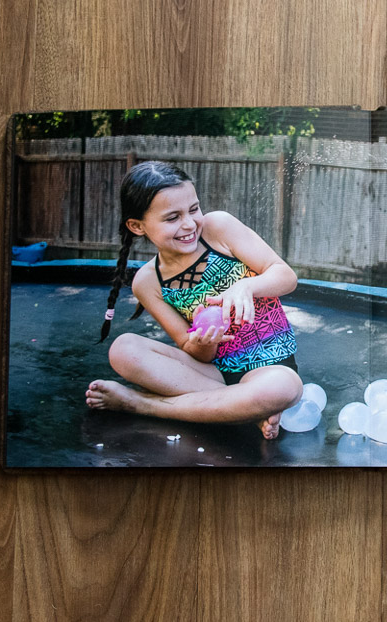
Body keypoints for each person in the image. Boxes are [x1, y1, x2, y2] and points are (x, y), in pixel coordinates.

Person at [85, 161, 302, 440]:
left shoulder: (218, 228)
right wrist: (205, 342)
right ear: (137, 226)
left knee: (281, 389)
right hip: (211, 375)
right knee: (123, 349)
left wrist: (247, 286)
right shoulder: (148, 281)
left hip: (269, 369)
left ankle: (141, 404)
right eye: (172, 217)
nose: (189, 224)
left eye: (193, 209)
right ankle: (239, 407)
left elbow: (286, 276)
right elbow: (191, 349)